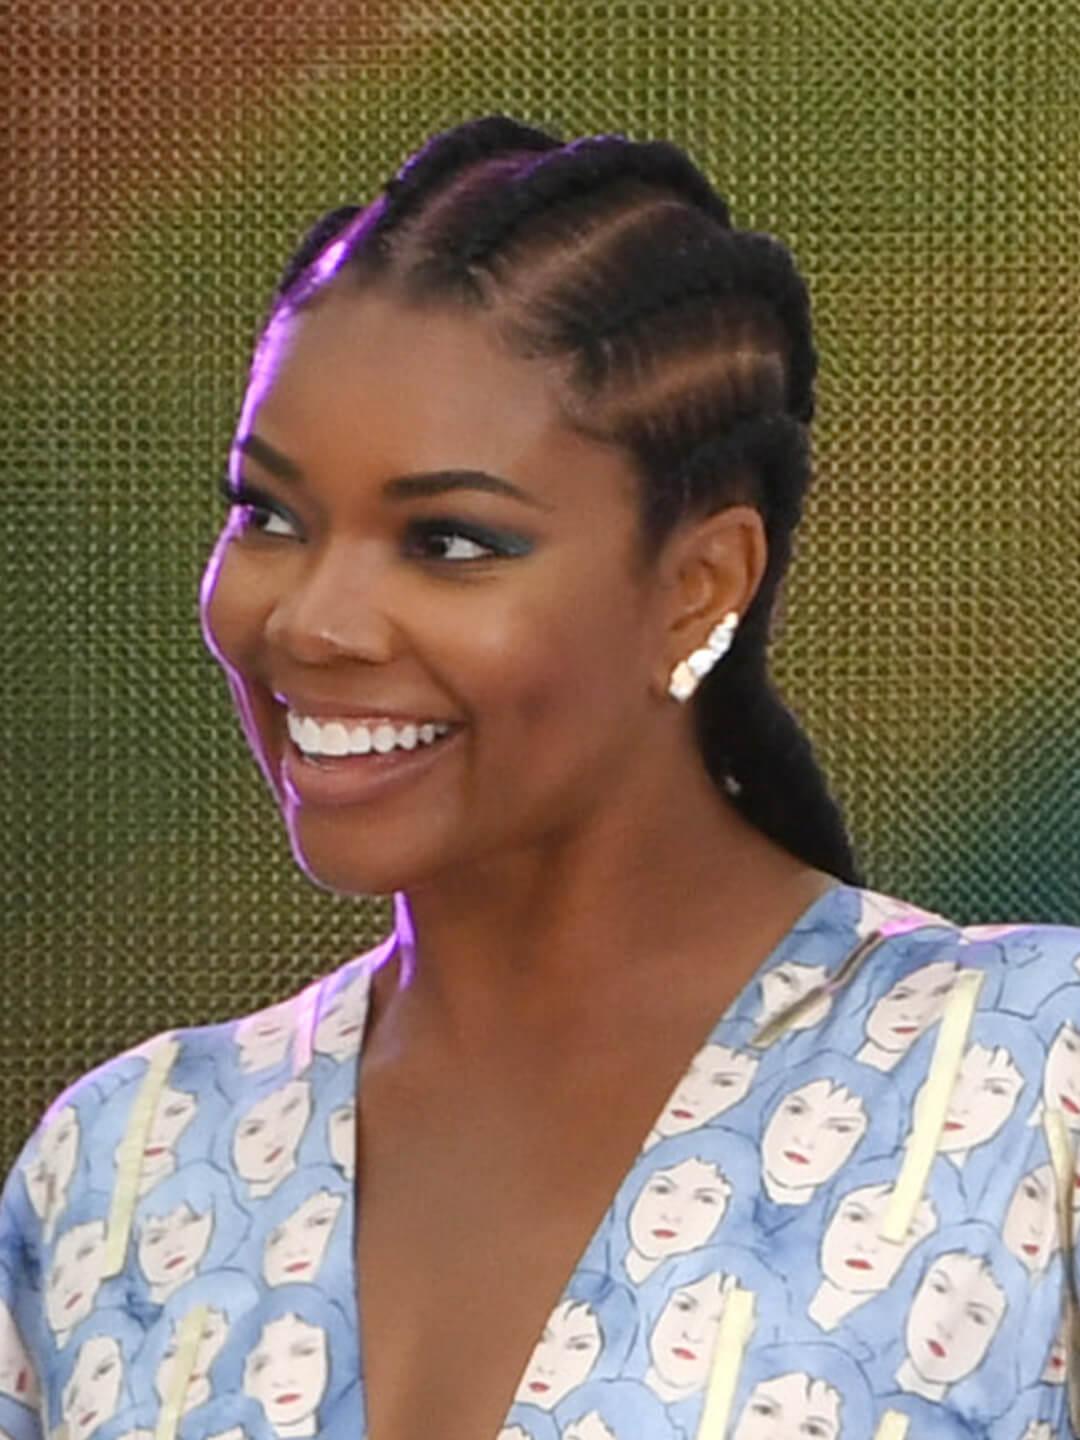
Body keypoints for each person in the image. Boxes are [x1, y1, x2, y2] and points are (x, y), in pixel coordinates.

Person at [1, 113, 1077, 1440]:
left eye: (449, 541)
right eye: (269, 515)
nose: (312, 624)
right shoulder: (121, 1169)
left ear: (700, 588)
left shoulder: (1027, 1088)